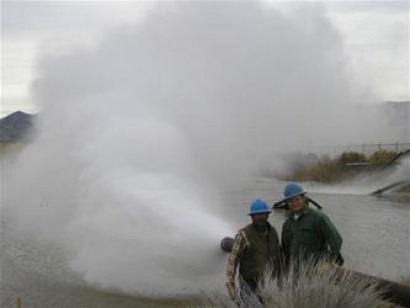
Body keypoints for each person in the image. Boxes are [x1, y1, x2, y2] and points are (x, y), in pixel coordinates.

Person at [226, 199, 281, 305]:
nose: (260, 217)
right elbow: (233, 260)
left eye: (263, 214)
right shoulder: (243, 234)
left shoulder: (273, 232)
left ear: (267, 215)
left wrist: (280, 279)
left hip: (268, 281)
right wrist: (230, 282)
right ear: (252, 217)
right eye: (257, 215)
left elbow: (278, 257)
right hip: (248, 282)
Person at [281, 183, 343, 271]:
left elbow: (336, 239)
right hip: (294, 271)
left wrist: (329, 261)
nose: (294, 203)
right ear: (287, 203)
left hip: (316, 270)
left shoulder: (318, 217)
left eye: (297, 199)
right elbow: (285, 249)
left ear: (304, 199)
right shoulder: (287, 223)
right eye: (290, 201)